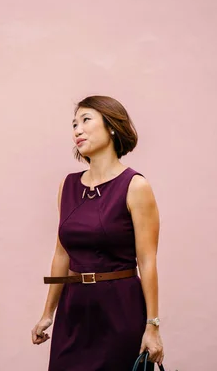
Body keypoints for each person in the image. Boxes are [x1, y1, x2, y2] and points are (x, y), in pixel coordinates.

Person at [31, 96, 165, 370]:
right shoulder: (67, 186)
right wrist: (48, 313)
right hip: (74, 309)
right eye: (74, 124)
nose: (77, 130)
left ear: (112, 126)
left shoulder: (135, 186)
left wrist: (152, 326)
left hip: (119, 309)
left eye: (86, 120)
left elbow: (147, 260)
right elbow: (61, 254)